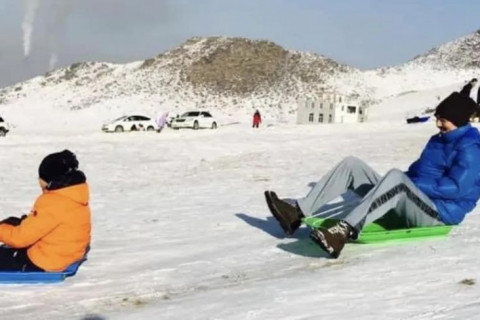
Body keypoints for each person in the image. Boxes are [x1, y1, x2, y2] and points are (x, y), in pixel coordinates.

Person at [265, 92, 480, 258]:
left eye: (443, 120)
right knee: (352, 165)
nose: (438, 124)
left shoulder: (471, 147)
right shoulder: (438, 140)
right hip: (416, 202)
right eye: (438, 118)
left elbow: (456, 188)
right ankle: (297, 212)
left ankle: (343, 232)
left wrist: (407, 184)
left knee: (396, 178)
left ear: (458, 120)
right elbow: (416, 173)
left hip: (439, 215)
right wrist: (399, 183)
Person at [0, 150, 91, 271]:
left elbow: (19, 239)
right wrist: (25, 222)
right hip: (66, 254)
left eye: (40, 177)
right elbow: (48, 223)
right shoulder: (74, 195)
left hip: (44, 261)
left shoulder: (53, 202)